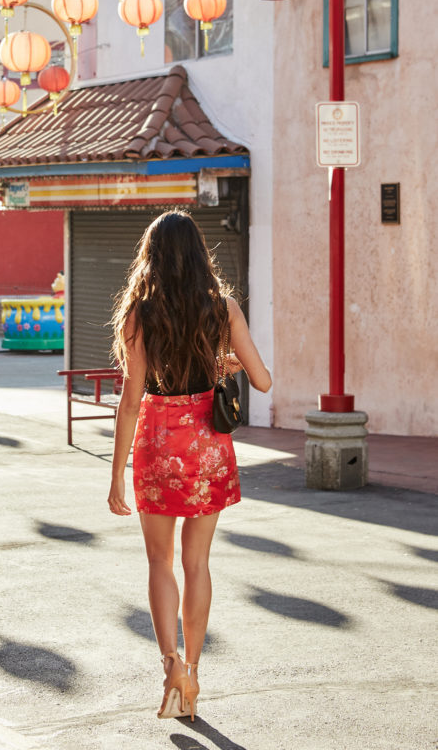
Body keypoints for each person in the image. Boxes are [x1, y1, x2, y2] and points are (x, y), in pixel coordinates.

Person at [108, 210, 271, 721]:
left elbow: (131, 400)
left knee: (160, 562)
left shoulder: (139, 312)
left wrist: (115, 477)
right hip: (206, 446)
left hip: (158, 442)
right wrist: (225, 360)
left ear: (150, 257)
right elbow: (263, 381)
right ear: (201, 254)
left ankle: (171, 664)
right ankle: (195, 671)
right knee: (196, 563)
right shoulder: (221, 310)